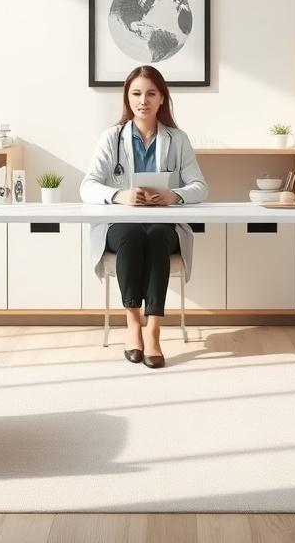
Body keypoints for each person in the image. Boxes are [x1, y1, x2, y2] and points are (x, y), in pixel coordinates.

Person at [80, 65, 208, 368]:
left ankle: (153, 331)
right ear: (127, 97)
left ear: (162, 98)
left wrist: (174, 195)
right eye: (136, 93)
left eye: (151, 93)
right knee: (133, 234)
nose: (143, 100)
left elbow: (200, 186)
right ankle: (133, 325)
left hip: (163, 224)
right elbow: (87, 186)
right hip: (121, 225)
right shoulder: (111, 137)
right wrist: (119, 195)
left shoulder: (177, 139)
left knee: (156, 234)